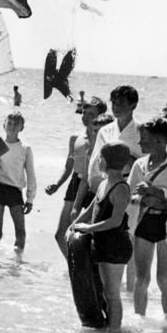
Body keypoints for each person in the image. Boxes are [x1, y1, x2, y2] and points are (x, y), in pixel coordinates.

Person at [71, 141, 133, 331]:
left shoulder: (121, 188)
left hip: (116, 246)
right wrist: (73, 226)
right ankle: (107, 326)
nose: (98, 161)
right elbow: (91, 209)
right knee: (103, 291)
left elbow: (115, 221)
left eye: (100, 158)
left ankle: (115, 332)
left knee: (112, 292)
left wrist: (89, 229)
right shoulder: (103, 183)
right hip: (102, 244)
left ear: (105, 161)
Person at [47, 97, 107, 257]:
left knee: (88, 236)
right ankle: (74, 268)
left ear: (101, 116)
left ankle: (90, 271)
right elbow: (69, 165)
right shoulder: (75, 138)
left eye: (91, 114)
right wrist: (57, 184)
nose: (85, 116)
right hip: (76, 181)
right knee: (60, 234)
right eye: (85, 113)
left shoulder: (104, 138)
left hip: (94, 185)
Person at [126, 117, 167, 318]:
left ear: (160, 141)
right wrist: (145, 199)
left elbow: (164, 199)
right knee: (141, 278)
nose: (140, 142)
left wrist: (155, 192)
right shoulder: (139, 165)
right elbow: (129, 195)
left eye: (144, 138)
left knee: (164, 278)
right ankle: (139, 322)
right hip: (143, 222)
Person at [0, 111, 36, 252]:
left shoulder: (25, 148)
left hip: (15, 191)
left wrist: (30, 199)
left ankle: (17, 263)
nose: (12, 126)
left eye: (16, 124)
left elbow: (31, 173)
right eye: (9, 123)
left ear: (22, 128)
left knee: (20, 231)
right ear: (4, 125)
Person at [86, 85, 142, 194]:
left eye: (121, 103)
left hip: (133, 193)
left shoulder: (142, 131)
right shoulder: (105, 131)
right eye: (114, 103)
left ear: (133, 105)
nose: (116, 107)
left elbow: (147, 167)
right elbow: (95, 166)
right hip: (106, 189)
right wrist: (99, 191)